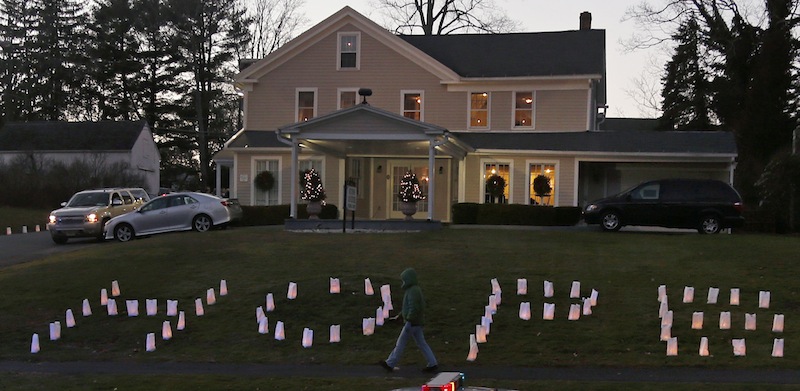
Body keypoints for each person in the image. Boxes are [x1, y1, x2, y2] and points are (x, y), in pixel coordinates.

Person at [379, 268, 438, 373]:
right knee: (422, 343)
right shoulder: (415, 290)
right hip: (417, 323)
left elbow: (413, 308)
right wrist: (400, 316)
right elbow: (411, 307)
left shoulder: (412, 291)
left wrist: (408, 319)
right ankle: (432, 362)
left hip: (411, 323)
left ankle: (390, 363)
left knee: (400, 343)